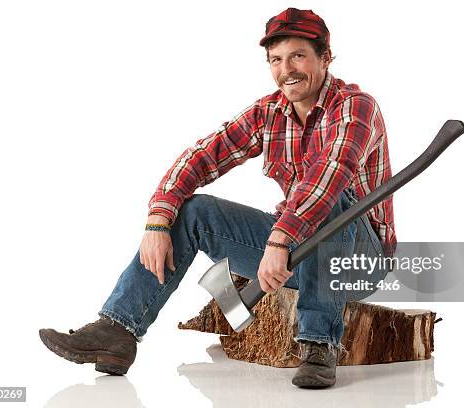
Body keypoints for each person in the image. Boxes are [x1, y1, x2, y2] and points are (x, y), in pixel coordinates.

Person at [39, 7, 396, 389]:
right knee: (193, 211)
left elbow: (327, 179)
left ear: (325, 57)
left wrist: (280, 239)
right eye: (276, 59)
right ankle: (118, 330)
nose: (286, 69)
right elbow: (203, 156)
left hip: (358, 259)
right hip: (294, 249)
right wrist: (158, 220)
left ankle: (319, 344)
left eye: (298, 56)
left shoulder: (356, 107)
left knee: (333, 205)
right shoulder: (269, 111)